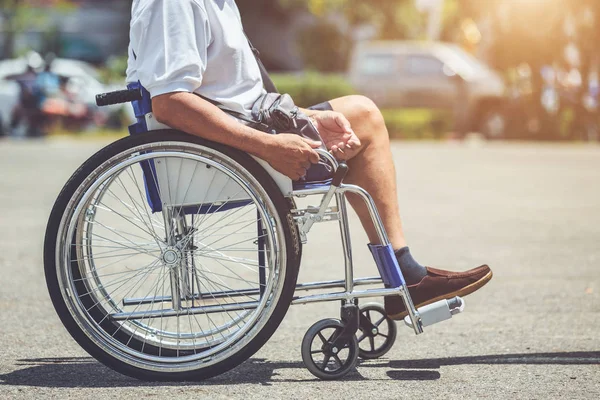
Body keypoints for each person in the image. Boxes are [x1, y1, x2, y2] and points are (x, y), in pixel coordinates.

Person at [126, 0, 492, 320]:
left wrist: (310, 118)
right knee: (366, 116)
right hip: (224, 152)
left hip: (251, 131)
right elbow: (170, 102)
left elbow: (240, 97)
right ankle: (405, 273)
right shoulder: (175, 3)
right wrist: (266, 147)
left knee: (362, 116)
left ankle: (403, 272)